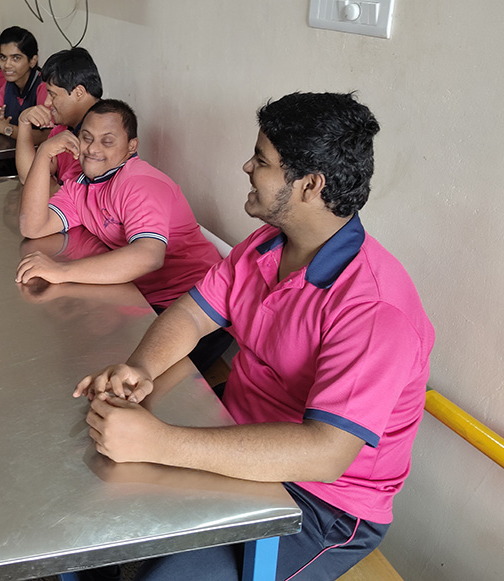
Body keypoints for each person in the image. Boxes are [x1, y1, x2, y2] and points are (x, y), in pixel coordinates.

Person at [75, 93, 434, 581]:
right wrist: (141, 367)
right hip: (237, 423)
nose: (247, 166)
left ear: (310, 185)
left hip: (323, 500)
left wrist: (162, 444)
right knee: (95, 515)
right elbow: (193, 314)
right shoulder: (266, 244)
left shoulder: (373, 309)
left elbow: (325, 453)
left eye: (262, 160)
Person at [17, 99, 222, 317]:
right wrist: (43, 154)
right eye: (87, 138)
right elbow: (33, 226)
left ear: (131, 146)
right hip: (141, 294)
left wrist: (60, 271)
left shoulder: (138, 182)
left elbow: (149, 256)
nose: (93, 149)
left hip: (195, 302)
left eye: (107, 141)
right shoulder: (81, 185)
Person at [14, 47, 102, 185]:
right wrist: (23, 122)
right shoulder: (63, 130)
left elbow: (49, 191)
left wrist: (44, 181)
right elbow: (28, 177)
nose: (47, 102)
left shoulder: (99, 140)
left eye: (53, 94)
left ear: (78, 92)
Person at [0, 26, 48, 143]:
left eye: (16, 58)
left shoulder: (44, 88)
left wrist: (5, 128)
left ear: (33, 61)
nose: (7, 65)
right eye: (3, 57)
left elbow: (47, 136)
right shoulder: (8, 85)